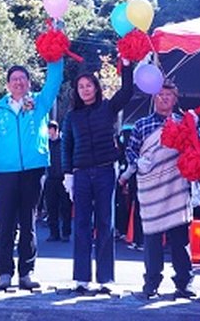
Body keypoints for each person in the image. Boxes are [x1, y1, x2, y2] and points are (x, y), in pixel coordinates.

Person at [0, 60, 63, 290]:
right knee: (5, 223)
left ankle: (26, 273)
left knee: (28, 222)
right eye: (14, 79)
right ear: (8, 84)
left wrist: (55, 55)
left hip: (33, 170)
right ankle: (4, 273)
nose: (18, 82)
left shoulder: (39, 103)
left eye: (22, 78)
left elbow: (54, 82)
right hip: (6, 172)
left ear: (28, 82)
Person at [61, 63, 133, 293]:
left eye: (89, 85)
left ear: (96, 87)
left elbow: (127, 91)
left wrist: (127, 66)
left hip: (105, 172)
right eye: (81, 86)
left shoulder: (108, 107)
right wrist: (68, 174)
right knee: (81, 224)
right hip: (81, 174)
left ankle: (105, 279)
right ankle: (81, 278)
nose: (85, 89)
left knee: (105, 223)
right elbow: (66, 146)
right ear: (76, 91)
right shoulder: (71, 116)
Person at [120, 80, 194, 299]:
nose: (164, 98)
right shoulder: (141, 124)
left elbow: (194, 150)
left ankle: (184, 284)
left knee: (180, 239)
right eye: (160, 94)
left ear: (175, 98)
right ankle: (151, 283)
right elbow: (130, 150)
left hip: (177, 187)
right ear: (154, 98)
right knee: (152, 239)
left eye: (168, 94)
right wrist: (138, 162)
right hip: (150, 188)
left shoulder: (184, 122)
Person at [44, 121, 71, 242]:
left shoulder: (64, 142)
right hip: (50, 178)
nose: (50, 134)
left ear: (56, 130)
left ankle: (66, 233)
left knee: (66, 207)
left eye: (51, 132)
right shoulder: (46, 143)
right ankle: (53, 233)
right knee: (51, 207)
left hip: (63, 178)